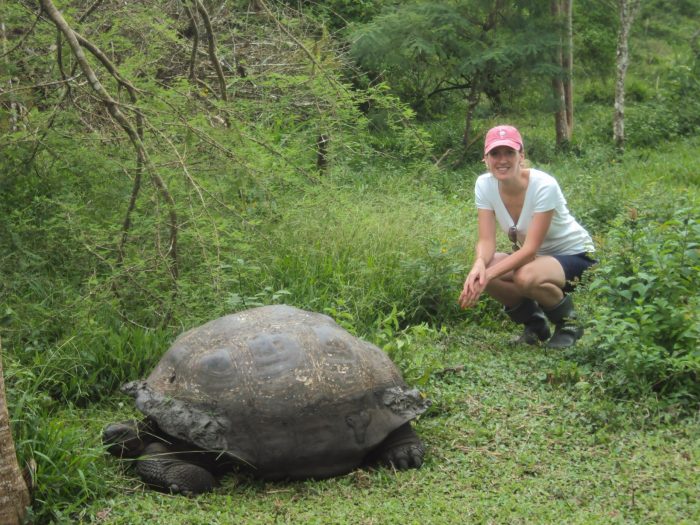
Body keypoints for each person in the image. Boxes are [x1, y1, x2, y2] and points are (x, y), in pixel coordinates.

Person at [458, 125, 595, 349]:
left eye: (509, 152)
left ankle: (569, 324)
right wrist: (479, 266)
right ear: (485, 158)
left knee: (523, 276)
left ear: (521, 155)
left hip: (575, 255)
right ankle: (534, 324)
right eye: (495, 153)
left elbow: (530, 249)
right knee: (487, 269)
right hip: (537, 260)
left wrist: (487, 275)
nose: (502, 160)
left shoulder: (543, 185)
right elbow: (486, 241)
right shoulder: (484, 185)